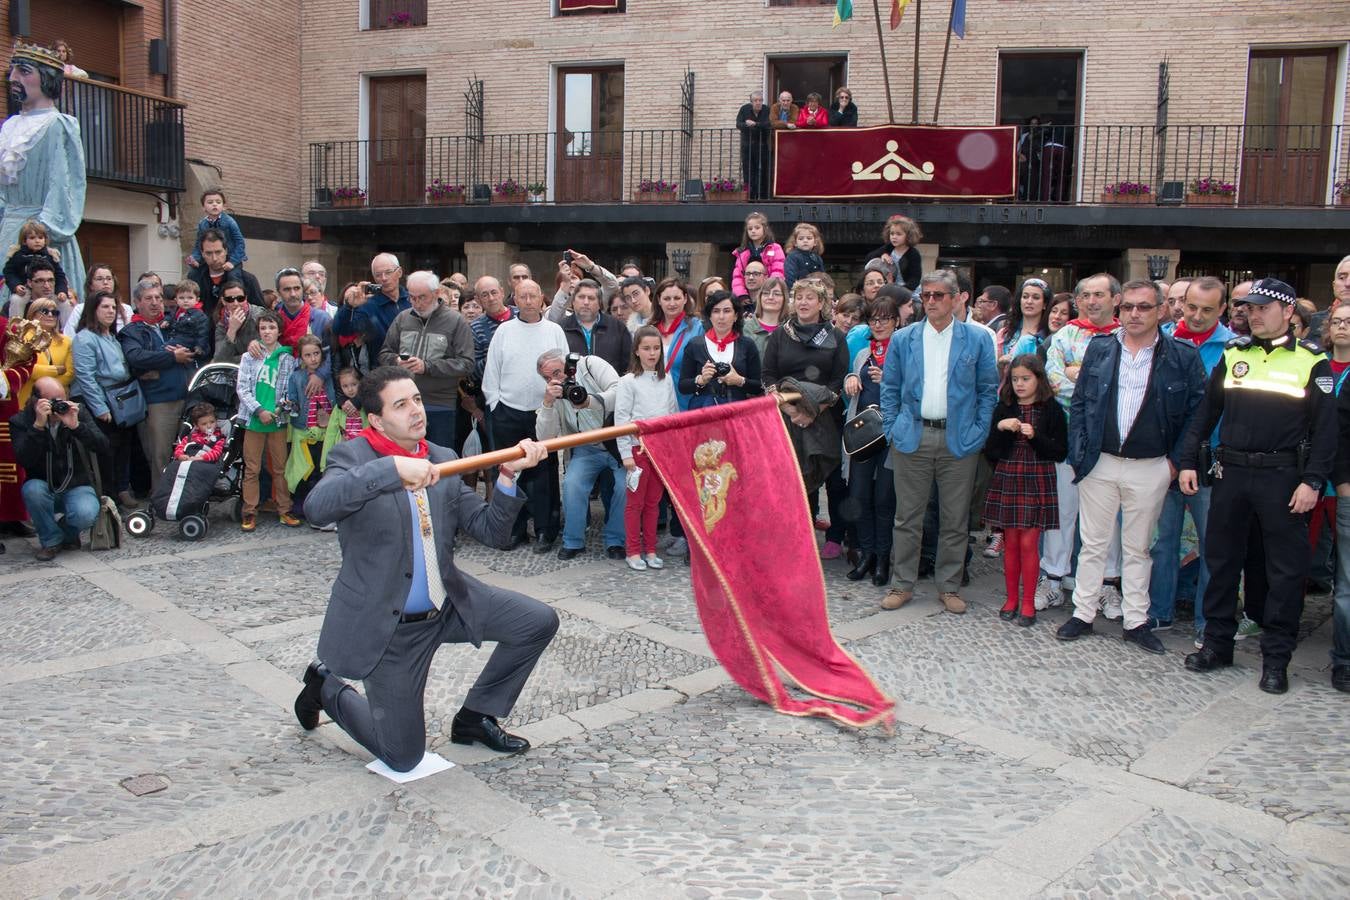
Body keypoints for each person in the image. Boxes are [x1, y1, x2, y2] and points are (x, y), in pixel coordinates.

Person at [293, 366, 557, 769]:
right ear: (377, 420)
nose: (416, 410)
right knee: (403, 757)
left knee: (536, 621)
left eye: (416, 399)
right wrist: (392, 469)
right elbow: (318, 506)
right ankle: (326, 687)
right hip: (391, 625)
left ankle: (475, 717)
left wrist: (508, 475)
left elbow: (492, 532)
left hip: (448, 602)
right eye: (401, 405)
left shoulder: (442, 457)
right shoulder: (353, 456)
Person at [1180, 278, 1335, 695]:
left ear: (1288, 313)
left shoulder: (1311, 360)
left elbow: (1326, 431)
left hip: (1283, 478)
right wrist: (1189, 460)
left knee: (1284, 572)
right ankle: (1217, 644)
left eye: (1263, 308)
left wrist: (1312, 481)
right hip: (1232, 473)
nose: (1254, 314)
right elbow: (1207, 412)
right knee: (1222, 562)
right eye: (1250, 308)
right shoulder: (1234, 354)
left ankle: (1276, 658)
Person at [1055, 281, 1205, 654]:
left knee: (1139, 547)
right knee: (1093, 544)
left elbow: (1195, 414)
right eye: (1129, 308)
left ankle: (1136, 620)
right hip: (1100, 462)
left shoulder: (1182, 356)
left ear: (1160, 311)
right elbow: (1081, 405)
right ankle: (1083, 613)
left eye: (1144, 307)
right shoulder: (1101, 349)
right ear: (1120, 311)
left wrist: (1174, 464)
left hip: (1152, 465)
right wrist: (1079, 452)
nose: (1135, 314)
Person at [878, 271, 998, 614]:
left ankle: (949, 585)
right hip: (911, 436)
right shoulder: (904, 339)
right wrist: (892, 427)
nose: (931, 301)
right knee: (907, 518)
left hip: (959, 440)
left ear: (957, 297)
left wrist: (979, 431)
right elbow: (890, 389)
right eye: (926, 295)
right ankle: (902, 583)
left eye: (939, 295)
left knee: (955, 519)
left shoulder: (977, 339)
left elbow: (988, 389)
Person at [1149, 277, 1233, 644]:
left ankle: (1207, 622)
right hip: (1164, 457)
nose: (1196, 315)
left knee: (1212, 544)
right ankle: (1158, 612)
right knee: (1161, 541)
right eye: (1191, 306)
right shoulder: (1161, 339)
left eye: (1207, 309)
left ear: (1223, 309)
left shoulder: (1232, 348)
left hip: (1209, 460)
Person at [1040, 274, 1124, 611]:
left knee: (1108, 517)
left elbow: (1126, 388)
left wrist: (1082, 374)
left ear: (1115, 299)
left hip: (1111, 441)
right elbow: (1056, 382)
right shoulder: (1065, 336)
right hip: (1068, 438)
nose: (1092, 301)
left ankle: (1108, 584)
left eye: (1099, 294)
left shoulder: (1126, 336)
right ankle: (1053, 578)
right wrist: (1097, 388)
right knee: (1061, 511)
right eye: (1086, 295)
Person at [0, 42, 86, 318]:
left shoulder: (59, 125)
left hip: (42, 235)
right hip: (5, 230)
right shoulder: (9, 126)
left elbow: (64, 186)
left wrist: (40, 239)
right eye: (13, 71)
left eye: (24, 71)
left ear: (46, 79)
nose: (14, 78)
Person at [482, 278, 569, 550]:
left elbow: (565, 369)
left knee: (544, 472)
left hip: (543, 412)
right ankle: (513, 528)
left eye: (533, 295)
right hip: (507, 411)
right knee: (509, 472)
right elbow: (492, 371)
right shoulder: (505, 331)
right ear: (514, 300)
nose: (528, 301)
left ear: (542, 297)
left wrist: (554, 402)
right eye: (523, 296)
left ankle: (545, 529)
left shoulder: (554, 330)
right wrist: (495, 403)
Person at [983, 354, 1067, 625]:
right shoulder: (1005, 407)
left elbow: (1059, 450)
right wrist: (1001, 427)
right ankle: (1011, 599)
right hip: (1009, 475)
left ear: (1038, 379)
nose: (1020, 384)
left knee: (1030, 542)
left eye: (1025, 379)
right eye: (1015, 379)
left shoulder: (1050, 408)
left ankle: (1029, 602)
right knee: (1012, 543)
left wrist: (1035, 436)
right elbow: (992, 451)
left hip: (1037, 476)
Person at [763, 278, 850, 502]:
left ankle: (814, 535)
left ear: (821, 303)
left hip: (822, 417)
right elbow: (768, 375)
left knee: (815, 482)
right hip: (784, 417)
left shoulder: (836, 337)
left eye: (810, 298)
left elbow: (837, 380)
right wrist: (793, 412)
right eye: (798, 297)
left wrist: (812, 412)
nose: (803, 302)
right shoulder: (780, 335)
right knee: (785, 482)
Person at [535, 349, 625, 560]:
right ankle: (573, 541)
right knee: (571, 484)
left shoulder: (590, 365)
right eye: (547, 378)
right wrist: (548, 402)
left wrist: (589, 401)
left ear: (566, 364)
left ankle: (615, 540)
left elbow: (620, 390)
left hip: (617, 442)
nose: (555, 380)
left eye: (557, 373)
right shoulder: (555, 393)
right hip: (586, 447)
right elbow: (545, 438)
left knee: (624, 485)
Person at [10, 376, 107, 560]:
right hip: (44, 486)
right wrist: (38, 427)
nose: (58, 406)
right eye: (53, 401)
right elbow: (24, 459)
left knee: (85, 513)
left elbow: (103, 447)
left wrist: (76, 426)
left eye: (61, 399)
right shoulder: (20, 421)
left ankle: (67, 534)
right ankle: (51, 541)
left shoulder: (78, 412)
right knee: (32, 490)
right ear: (35, 400)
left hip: (77, 484)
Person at [843, 295, 902, 586]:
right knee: (860, 496)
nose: (879, 324)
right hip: (864, 436)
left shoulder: (903, 352)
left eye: (885, 319)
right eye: (874, 319)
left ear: (897, 321)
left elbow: (914, 392)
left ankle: (882, 559)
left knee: (884, 500)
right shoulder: (863, 353)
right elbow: (851, 383)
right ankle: (865, 554)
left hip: (891, 437)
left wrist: (889, 380)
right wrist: (851, 379)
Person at [379, 270, 474, 450]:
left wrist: (427, 367)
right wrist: (397, 361)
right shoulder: (402, 318)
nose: (417, 303)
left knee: (438, 461)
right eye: (412, 298)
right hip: (403, 401)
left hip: (440, 404)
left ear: (437, 293)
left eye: (422, 297)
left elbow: (466, 364)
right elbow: (384, 354)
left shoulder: (456, 321)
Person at [119, 279, 193, 492]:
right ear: (137, 302)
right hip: (158, 402)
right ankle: (161, 500)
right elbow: (137, 358)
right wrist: (171, 357)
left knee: (187, 452)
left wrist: (159, 359)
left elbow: (192, 345)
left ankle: (183, 496)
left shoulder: (174, 323)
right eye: (148, 298)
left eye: (158, 298)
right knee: (159, 456)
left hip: (186, 397)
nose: (155, 303)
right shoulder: (131, 331)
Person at [615, 326, 678, 571]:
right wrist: (625, 455)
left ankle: (651, 549)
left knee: (654, 503)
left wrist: (670, 451)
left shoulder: (667, 379)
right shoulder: (628, 382)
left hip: (659, 451)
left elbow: (672, 415)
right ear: (637, 351)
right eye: (646, 348)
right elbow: (621, 420)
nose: (652, 353)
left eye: (656, 348)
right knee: (635, 503)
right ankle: (632, 550)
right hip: (637, 450)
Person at [71, 291, 138, 509]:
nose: (110, 311)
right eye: (105, 307)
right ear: (93, 310)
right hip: (102, 401)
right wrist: (100, 407)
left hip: (120, 399)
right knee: (107, 453)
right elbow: (86, 377)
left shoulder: (110, 336)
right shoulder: (84, 338)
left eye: (113, 307)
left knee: (123, 450)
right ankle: (109, 499)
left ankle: (120, 491)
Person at [236, 312, 301, 532]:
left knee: (280, 468)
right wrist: (259, 410)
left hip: (277, 419)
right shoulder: (249, 357)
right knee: (252, 468)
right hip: (254, 419)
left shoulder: (287, 359)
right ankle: (249, 510)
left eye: (271, 328)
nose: (267, 332)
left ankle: (284, 508)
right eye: (263, 328)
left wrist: (278, 409)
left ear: (279, 331)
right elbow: (242, 388)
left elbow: (289, 390)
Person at [284, 335, 336, 521]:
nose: (313, 358)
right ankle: (301, 504)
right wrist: (290, 406)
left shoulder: (329, 375)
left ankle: (322, 506)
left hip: (327, 432)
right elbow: (293, 401)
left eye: (316, 354)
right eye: (308, 355)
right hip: (305, 431)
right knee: (304, 470)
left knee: (324, 470)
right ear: (301, 357)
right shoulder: (296, 377)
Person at [681, 291, 762, 409]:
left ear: (735, 316)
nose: (721, 316)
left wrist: (739, 381)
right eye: (716, 311)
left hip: (737, 414)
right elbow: (683, 386)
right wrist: (701, 380)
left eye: (727, 311)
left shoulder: (747, 345)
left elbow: (758, 387)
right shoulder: (694, 345)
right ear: (710, 316)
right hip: (703, 415)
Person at [334, 253, 410, 371]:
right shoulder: (368, 306)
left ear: (399, 272)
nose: (384, 278)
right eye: (378, 275)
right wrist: (349, 307)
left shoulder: (412, 299)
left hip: (414, 367)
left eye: (388, 272)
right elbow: (342, 330)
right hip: (382, 371)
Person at [650, 277, 705, 411]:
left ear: (685, 299)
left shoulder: (698, 328)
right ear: (658, 300)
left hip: (685, 401)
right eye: (667, 299)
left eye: (677, 298)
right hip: (652, 401)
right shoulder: (649, 329)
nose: (672, 303)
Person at [186, 229, 265, 322]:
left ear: (226, 251)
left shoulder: (248, 279)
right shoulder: (195, 278)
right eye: (209, 253)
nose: (214, 258)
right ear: (202, 253)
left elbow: (261, 314)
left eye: (218, 252)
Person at [16, 295, 72, 406]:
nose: (51, 315)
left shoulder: (66, 341)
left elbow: (70, 373)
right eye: (44, 311)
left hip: (59, 401)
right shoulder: (22, 338)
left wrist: (50, 390)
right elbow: (26, 369)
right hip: (28, 399)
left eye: (55, 312)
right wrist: (56, 370)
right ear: (32, 314)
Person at [3, 219, 68, 303]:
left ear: (45, 240)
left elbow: (60, 275)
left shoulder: (50, 256)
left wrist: (61, 291)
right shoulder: (18, 256)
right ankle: (16, 317)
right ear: (24, 241)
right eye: (32, 238)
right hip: (25, 290)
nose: (37, 241)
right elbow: (9, 273)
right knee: (16, 300)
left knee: (64, 303)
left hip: (48, 290)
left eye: (40, 238)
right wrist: (16, 285)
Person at [185, 189, 248, 272]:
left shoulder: (230, 222)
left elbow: (240, 243)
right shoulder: (202, 224)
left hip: (230, 258)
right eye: (210, 202)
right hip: (210, 259)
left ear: (223, 206)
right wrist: (194, 258)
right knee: (193, 274)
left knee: (234, 277)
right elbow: (199, 245)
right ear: (203, 207)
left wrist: (232, 261)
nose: (214, 204)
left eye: (218, 202)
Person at [62, 265, 131, 338]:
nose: (105, 282)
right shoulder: (80, 309)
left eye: (109, 279)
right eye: (99, 279)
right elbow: (68, 336)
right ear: (91, 284)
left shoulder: (126, 309)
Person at [732, 213, 785, 298]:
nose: (753, 231)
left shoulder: (775, 248)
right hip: (749, 295)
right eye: (750, 229)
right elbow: (738, 276)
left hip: (769, 293)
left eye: (757, 228)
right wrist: (741, 295)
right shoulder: (742, 252)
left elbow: (778, 270)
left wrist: (770, 289)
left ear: (765, 229)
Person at [866, 215, 923, 291]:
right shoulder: (888, 247)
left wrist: (900, 290)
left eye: (898, 234)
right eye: (892, 234)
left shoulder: (913, 254)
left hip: (907, 291)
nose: (894, 237)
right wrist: (882, 254)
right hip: (887, 288)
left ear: (908, 236)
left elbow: (915, 279)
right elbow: (868, 257)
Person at [998, 279, 1050, 362]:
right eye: (1025, 297)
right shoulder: (1004, 333)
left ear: (1045, 304)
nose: (1029, 301)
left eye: (1036, 298)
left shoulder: (1048, 335)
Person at [211, 283, 263, 364]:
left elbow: (265, 351)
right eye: (230, 299)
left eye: (240, 298)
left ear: (246, 298)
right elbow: (220, 360)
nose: (236, 303)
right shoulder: (221, 323)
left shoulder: (258, 315)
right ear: (224, 301)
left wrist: (232, 359)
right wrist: (232, 330)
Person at [735, 91, 772, 201]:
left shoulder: (766, 110)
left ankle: (763, 197)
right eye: (756, 100)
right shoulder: (744, 109)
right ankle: (750, 196)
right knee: (748, 171)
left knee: (763, 171)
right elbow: (738, 124)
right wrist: (747, 124)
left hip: (762, 146)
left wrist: (755, 124)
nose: (758, 103)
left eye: (760, 100)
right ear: (751, 102)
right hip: (747, 146)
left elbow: (769, 124)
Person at [742, 274, 787, 360]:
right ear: (760, 297)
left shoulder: (790, 330)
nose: (770, 297)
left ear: (784, 298)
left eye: (776, 294)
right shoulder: (744, 327)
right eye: (766, 293)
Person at [167, 280, 211, 366]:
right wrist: (166, 321)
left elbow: (203, 333)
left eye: (190, 298)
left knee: (164, 349)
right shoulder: (176, 311)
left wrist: (199, 346)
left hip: (189, 341)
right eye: (182, 298)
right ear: (176, 300)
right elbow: (170, 317)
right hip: (176, 338)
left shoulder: (199, 315)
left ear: (197, 300)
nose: (185, 301)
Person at [784, 222, 826, 289]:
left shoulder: (817, 258)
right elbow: (789, 277)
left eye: (809, 238)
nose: (805, 241)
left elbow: (823, 277)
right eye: (801, 239)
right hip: (798, 291)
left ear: (815, 242)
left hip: (816, 291)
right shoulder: (792, 257)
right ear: (795, 243)